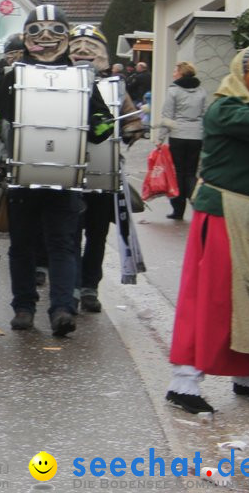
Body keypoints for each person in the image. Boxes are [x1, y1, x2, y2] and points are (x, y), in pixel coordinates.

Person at [0, 5, 112, 337]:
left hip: (67, 175)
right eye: (36, 31)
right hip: (22, 174)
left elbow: (100, 124)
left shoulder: (80, 77)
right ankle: (23, 307)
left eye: (55, 31)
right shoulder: (14, 75)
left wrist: (101, 124)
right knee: (22, 244)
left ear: (67, 35)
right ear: (26, 36)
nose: (45, 39)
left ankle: (62, 309)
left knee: (62, 243)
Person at [165, 43, 249, 415]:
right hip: (223, 215)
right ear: (241, 72)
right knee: (212, 298)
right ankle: (183, 381)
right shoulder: (225, 109)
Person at [68, 24, 145, 313]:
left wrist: (133, 129)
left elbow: (132, 121)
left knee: (97, 233)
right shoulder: (61, 80)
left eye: (92, 46)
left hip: (104, 171)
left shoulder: (116, 86)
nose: (84, 51)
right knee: (70, 233)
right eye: (77, 46)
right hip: (69, 171)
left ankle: (90, 286)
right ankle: (72, 286)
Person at [156, 61, 208, 220]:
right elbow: (205, 114)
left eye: (174, 70)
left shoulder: (174, 91)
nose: (173, 73)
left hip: (178, 135)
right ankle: (196, 205)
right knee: (191, 172)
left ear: (180, 73)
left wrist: (160, 138)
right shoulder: (202, 91)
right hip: (196, 136)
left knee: (178, 172)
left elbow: (167, 116)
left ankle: (178, 210)